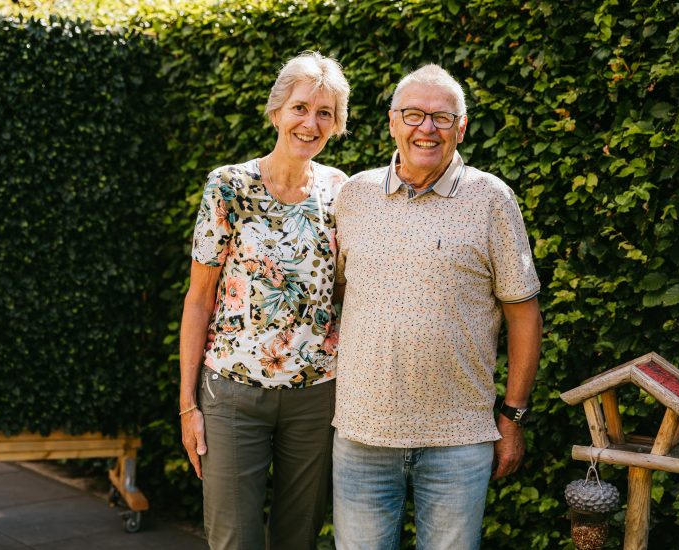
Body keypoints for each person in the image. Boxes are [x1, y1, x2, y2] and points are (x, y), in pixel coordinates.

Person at [331, 63, 543, 550]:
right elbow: (340, 291)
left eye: (442, 118)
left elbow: (524, 314)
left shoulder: (492, 199)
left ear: (460, 128)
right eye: (413, 115)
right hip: (362, 434)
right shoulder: (353, 196)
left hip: (459, 437)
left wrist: (512, 418)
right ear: (391, 122)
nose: (426, 128)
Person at [179, 51, 349, 550]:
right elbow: (198, 299)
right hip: (232, 392)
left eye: (325, 113)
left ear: (336, 125)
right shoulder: (228, 186)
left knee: (299, 538)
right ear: (277, 112)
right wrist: (187, 406)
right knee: (234, 538)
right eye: (300, 107)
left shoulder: (342, 191)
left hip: (317, 394)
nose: (310, 122)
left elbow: (342, 293)